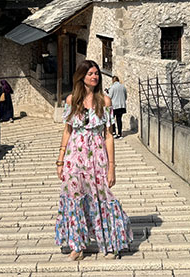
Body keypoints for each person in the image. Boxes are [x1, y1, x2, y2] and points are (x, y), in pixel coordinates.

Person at [55, 60, 132, 261]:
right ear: (82, 76)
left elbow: (109, 135)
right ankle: (77, 246)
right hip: (74, 157)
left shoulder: (105, 101)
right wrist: (60, 160)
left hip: (97, 156)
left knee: (103, 197)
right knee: (74, 199)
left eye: (97, 73)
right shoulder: (72, 100)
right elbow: (67, 130)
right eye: (90, 73)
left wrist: (112, 167)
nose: (95, 76)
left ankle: (111, 243)